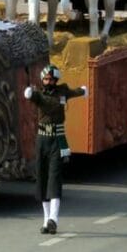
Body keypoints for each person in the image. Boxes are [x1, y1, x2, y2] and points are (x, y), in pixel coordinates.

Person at [23, 64, 87, 234]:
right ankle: (46, 221)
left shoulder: (62, 91)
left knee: (55, 178)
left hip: (57, 140)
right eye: (46, 79)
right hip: (42, 140)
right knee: (43, 178)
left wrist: (83, 91)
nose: (48, 81)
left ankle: (54, 219)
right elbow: (31, 96)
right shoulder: (39, 95)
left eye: (51, 79)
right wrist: (28, 93)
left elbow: (74, 92)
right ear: (42, 80)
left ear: (56, 80)